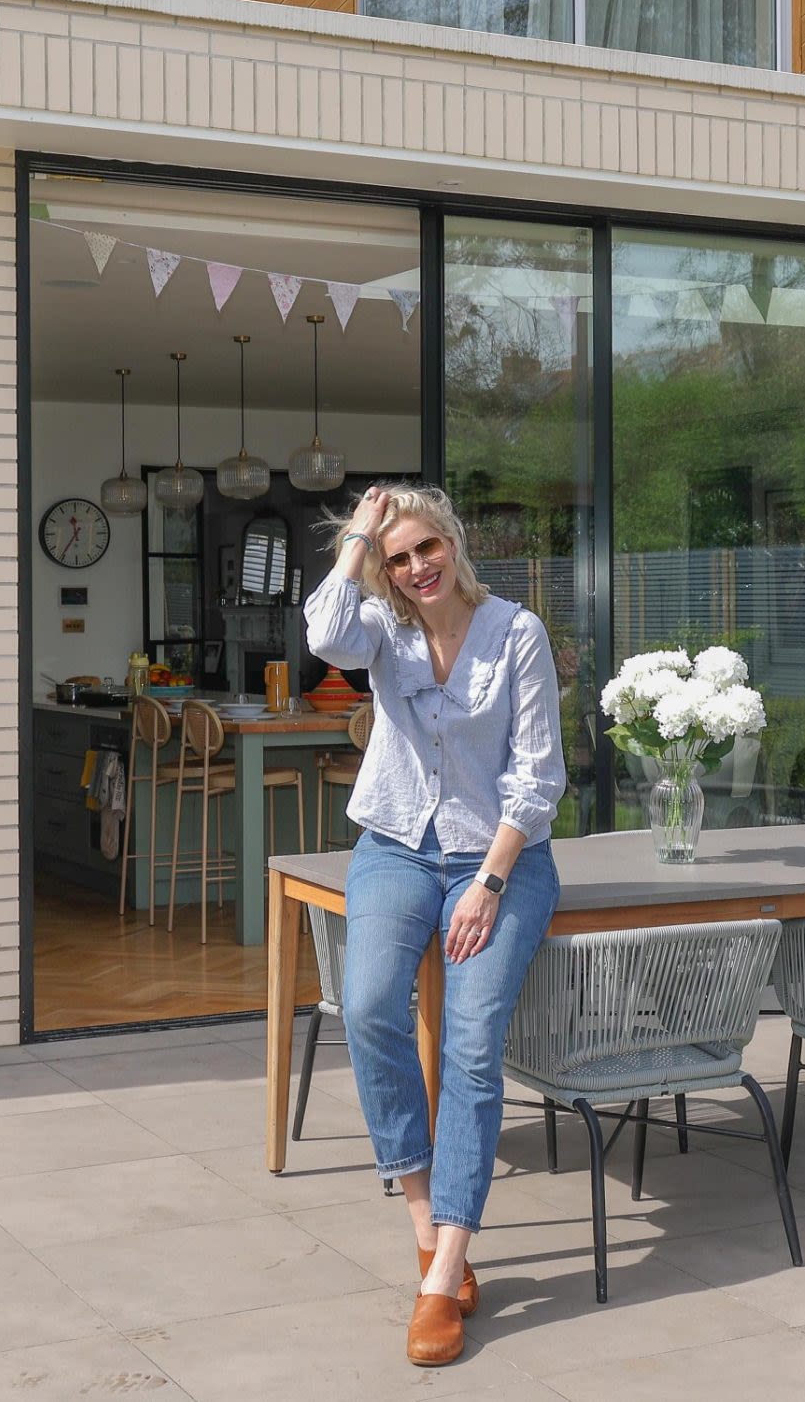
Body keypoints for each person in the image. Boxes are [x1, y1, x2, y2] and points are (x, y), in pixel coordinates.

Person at [303, 482, 564, 1367]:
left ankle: (444, 1272)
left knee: (472, 1042)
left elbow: (537, 776)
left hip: (500, 857)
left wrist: (490, 883)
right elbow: (325, 637)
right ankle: (427, 1222)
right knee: (370, 1005)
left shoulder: (515, 632)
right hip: (397, 845)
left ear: (454, 543)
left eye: (426, 548)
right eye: (398, 555)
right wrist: (357, 540)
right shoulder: (380, 624)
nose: (416, 567)